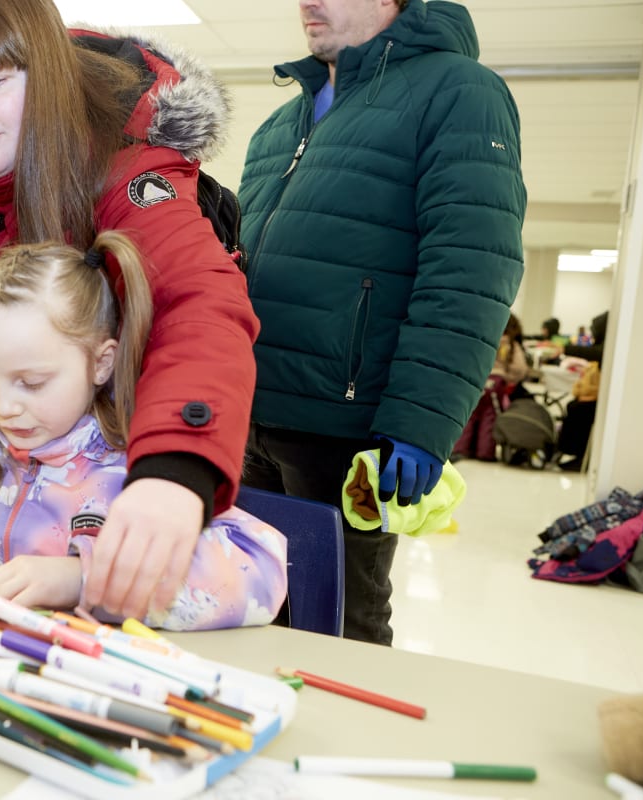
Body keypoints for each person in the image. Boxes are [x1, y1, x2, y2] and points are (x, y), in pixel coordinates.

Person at [0, 0, 260, 623]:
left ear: (47, 75)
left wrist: (176, 470)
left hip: (107, 459)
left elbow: (197, 304)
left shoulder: (124, 161)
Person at [0, 234, 286, 631]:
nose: (4, 405)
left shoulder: (136, 471)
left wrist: (79, 580)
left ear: (102, 362)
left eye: (32, 382)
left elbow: (258, 568)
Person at [238, 0, 525, 644]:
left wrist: (422, 423)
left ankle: (342, 746)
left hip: (345, 430)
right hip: (249, 416)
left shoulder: (459, 90)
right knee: (246, 604)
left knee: (339, 623)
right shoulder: (282, 123)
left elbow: (471, 266)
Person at [451, 313, 528, 462]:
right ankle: (485, 452)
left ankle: (462, 448)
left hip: (477, 381)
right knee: (490, 417)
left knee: (470, 415)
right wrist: (508, 376)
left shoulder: (484, 339)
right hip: (496, 383)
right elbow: (520, 368)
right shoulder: (510, 344)